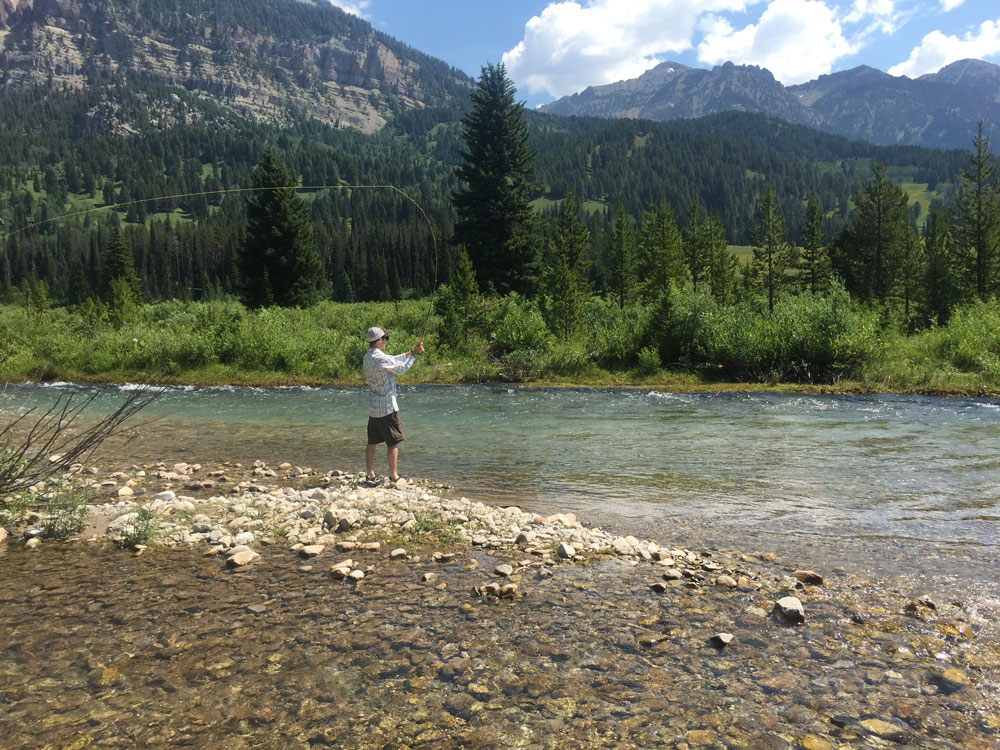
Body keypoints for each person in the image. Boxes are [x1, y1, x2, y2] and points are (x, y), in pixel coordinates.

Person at [363, 326, 424, 485]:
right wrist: (415, 356)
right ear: (379, 341)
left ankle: (369, 475)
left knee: (372, 442)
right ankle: (394, 476)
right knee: (393, 442)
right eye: (385, 339)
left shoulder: (368, 357)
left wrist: (411, 351)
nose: (386, 341)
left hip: (374, 408)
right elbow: (401, 368)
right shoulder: (380, 358)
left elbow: (393, 359)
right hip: (387, 407)